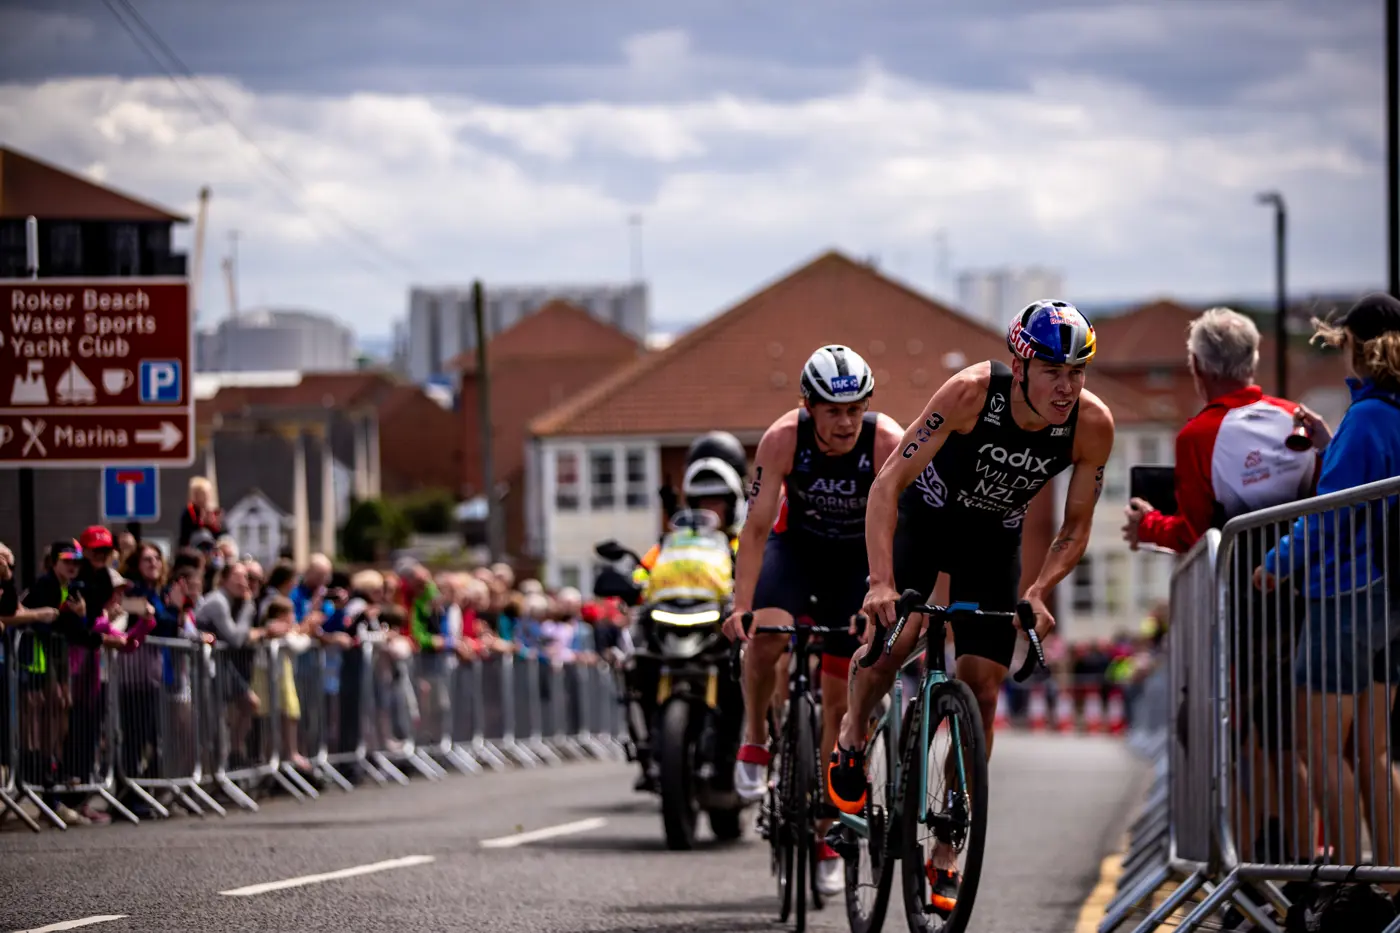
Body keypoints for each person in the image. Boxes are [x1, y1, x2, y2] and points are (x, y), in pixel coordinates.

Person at [828, 300, 1115, 917]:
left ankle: (947, 849)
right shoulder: (969, 394)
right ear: (1020, 363)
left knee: (981, 686)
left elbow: (1076, 526)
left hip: (992, 542)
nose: (1066, 387)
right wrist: (880, 581)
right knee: (891, 645)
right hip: (923, 526)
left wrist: (1038, 590)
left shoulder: (1091, 425)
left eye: (1078, 372)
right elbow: (886, 486)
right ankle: (852, 738)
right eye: (1052, 371)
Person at [1120, 306, 1317, 863]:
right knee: (1291, 747)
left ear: (1197, 367)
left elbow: (1191, 529)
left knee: (1242, 745)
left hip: (1247, 600)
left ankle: (1249, 866)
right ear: (1252, 360)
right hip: (1307, 589)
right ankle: (1308, 873)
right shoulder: (1294, 418)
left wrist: (1145, 526)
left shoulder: (1199, 435)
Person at [720, 343, 903, 897]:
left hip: (856, 564)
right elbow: (753, 530)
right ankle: (755, 735)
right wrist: (740, 605)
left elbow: (905, 524)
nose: (846, 423)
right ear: (809, 406)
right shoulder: (782, 439)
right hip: (795, 550)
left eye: (854, 410)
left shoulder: (887, 440)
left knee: (839, 704)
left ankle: (825, 831)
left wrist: (888, 589)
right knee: (767, 636)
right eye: (832, 411)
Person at [1256, 293, 1400, 868]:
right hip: (1391, 599)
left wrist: (1276, 564)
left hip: (1344, 599)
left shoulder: (1365, 419)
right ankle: (1389, 884)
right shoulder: (1386, 415)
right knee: (1375, 752)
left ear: (1355, 350)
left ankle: (1346, 878)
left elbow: (1329, 515)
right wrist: (1328, 443)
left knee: (1321, 752)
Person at [623, 430, 749, 793]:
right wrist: (630, 584)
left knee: (743, 674)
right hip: (672, 623)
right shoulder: (672, 544)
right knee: (636, 666)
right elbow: (647, 571)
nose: (709, 509)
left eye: (717, 501)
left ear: (733, 501)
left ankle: (738, 755)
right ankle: (648, 747)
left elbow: (760, 569)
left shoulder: (742, 541)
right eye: (702, 500)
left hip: (718, 626)